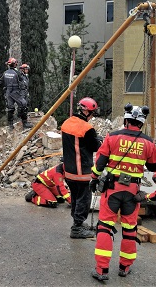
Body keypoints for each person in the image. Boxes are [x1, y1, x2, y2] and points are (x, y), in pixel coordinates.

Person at [89, 103, 156, 281]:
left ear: (126, 119)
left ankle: (102, 270)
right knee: (130, 229)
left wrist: (94, 178)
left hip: (112, 189)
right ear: (142, 123)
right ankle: (125, 267)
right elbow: (154, 167)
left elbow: (100, 163)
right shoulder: (148, 142)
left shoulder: (112, 137)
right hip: (133, 192)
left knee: (105, 227)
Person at [61, 97, 102, 239]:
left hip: (69, 170)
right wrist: (100, 141)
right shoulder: (87, 128)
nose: (92, 116)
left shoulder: (66, 123)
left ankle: (77, 222)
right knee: (84, 199)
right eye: (92, 113)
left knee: (75, 197)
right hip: (81, 171)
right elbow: (95, 147)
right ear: (87, 112)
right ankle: (77, 228)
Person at [0, 58, 33, 130]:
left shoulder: (5, 72)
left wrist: (5, 85)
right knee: (24, 104)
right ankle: (25, 123)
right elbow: (23, 84)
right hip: (15, 92)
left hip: (8, 92)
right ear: (15, 64)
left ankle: (10, 125)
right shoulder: (17, 73)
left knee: (10, 108)